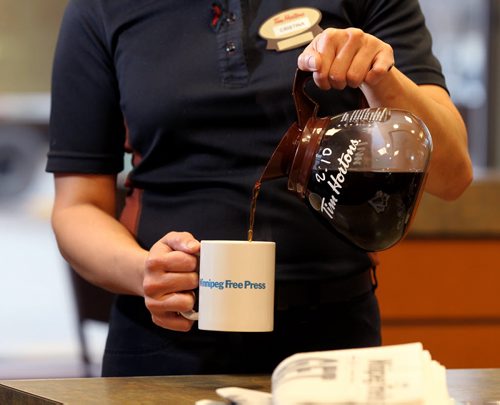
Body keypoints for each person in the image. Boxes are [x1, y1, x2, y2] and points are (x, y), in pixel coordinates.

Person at [46, 0, 472, 377]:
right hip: (166, 341)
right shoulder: (99, 8)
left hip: (335, 341)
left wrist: (383, 79)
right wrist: (144, 272)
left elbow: (451, 175)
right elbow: (77, 208)